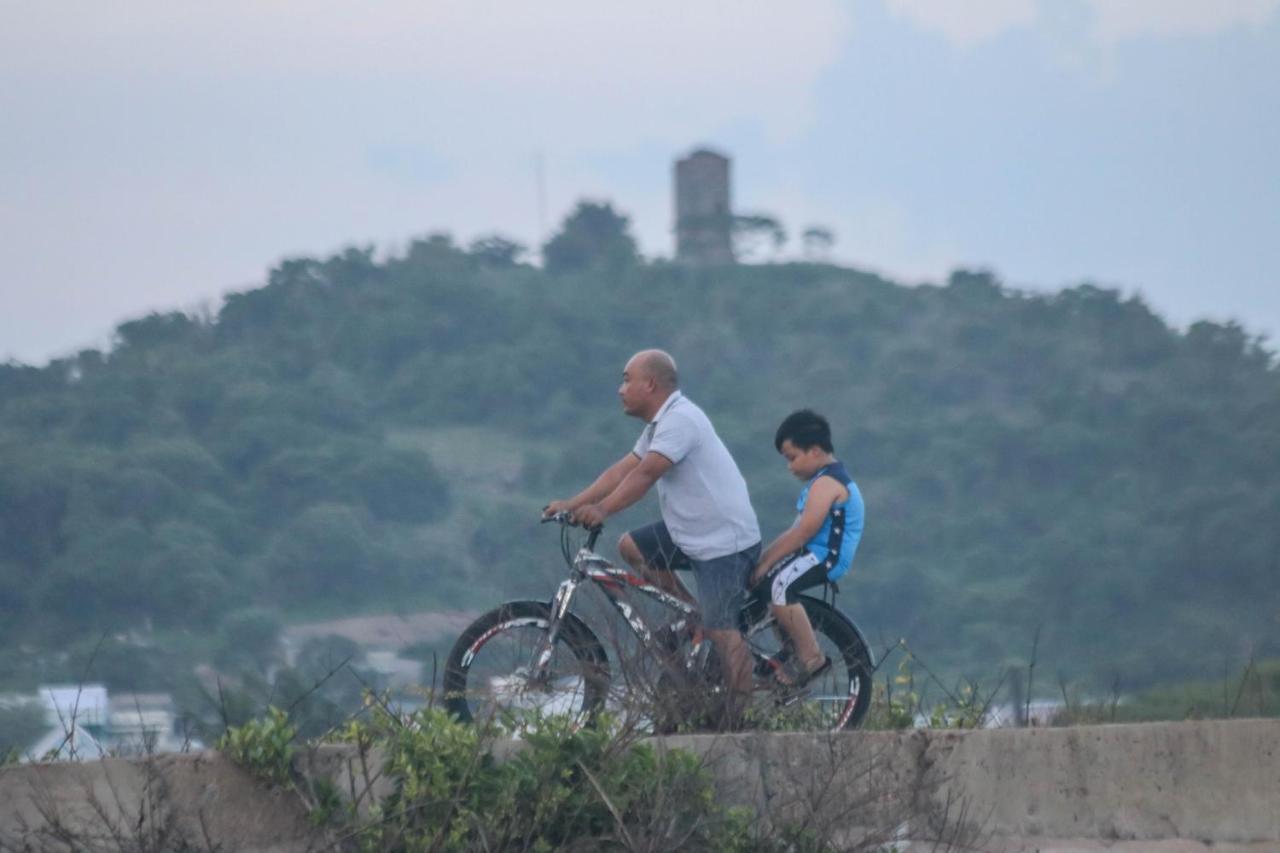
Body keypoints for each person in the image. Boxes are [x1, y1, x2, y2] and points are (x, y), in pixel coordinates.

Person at [544, 349, 762, 724]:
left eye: (626, 379)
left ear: (651, 384)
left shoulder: (681, 421)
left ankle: (737, 715)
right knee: (631, 548)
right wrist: (573, 502)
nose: (620, 389)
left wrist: (603, 510)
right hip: (690, 532)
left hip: (723, 540)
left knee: (724, 632)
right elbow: (623, 470)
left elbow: (645, 476)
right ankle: (693, 614)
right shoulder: (659, 426)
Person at [750, 409, 865, 687]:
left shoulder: (828, 483)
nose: (789, 467)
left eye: (792, 458)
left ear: (814, 451)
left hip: (826, 556)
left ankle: (811, 656)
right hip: (812, 553)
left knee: (779, 586)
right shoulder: (820, 481)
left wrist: (766, 561)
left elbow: (804, 531)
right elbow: (796, 532)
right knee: (767, 587)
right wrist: (763, 561)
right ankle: (792, 648)